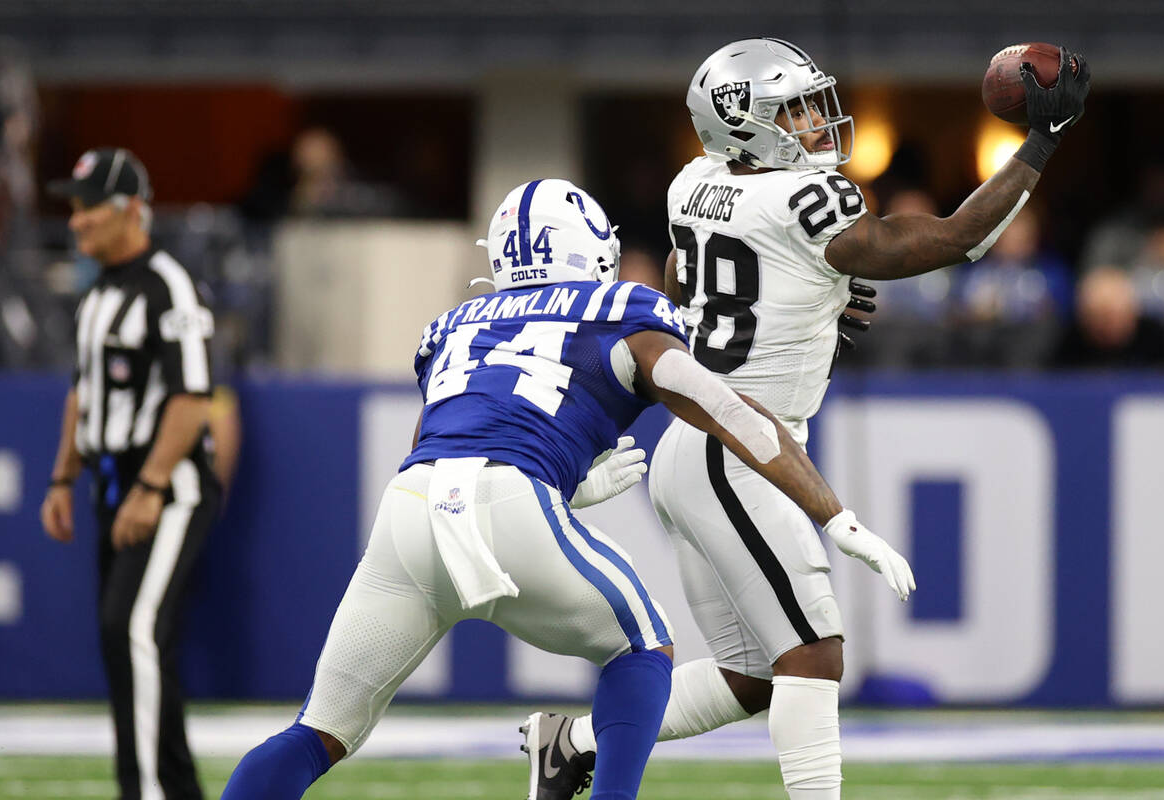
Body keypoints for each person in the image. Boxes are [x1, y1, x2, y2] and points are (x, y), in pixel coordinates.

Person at [527, 37, 1089, 800]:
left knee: (754, 675)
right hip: (741, 450)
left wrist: (812, 294)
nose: (817, 122)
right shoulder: (801, 201)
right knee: (814, 653)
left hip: (698, 446)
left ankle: (573, 744)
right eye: (793, 108)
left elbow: (684, 281)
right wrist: (1041, 142)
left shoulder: (693, 182)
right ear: (744, 122)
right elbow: (957, 238)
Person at [218, 179, 900, 800]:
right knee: (644, 647)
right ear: (590, 248)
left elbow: (452, 439)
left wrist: (562, 484)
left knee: (318, 732)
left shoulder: (453, 326)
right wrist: (830, 512)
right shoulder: (621, 308)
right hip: (512, 502)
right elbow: (728, 404)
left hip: (411, 509)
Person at [39, 147, 222, 800]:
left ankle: (145, 790)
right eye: (76, 205)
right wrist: (63, 478)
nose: (78, 220)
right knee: (135, 642)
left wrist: (149, 487)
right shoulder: (101, 291)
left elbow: (191, 395)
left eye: (89, 206)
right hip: (110, 485)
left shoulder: (166, 283)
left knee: (133, 630)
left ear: (130, 210)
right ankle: (176, 790)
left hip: (166, 488)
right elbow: (82, 392)